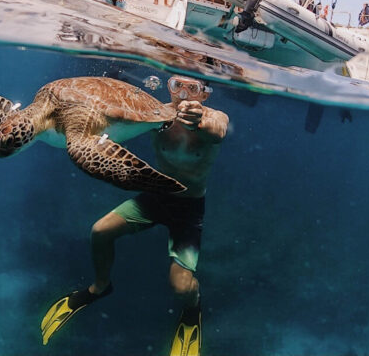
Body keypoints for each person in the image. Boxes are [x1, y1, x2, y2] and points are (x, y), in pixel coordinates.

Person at [40, 76, 229, 356]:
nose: (184, 94)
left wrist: (200, 119)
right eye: (178, 85)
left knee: (180, 285)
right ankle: (100, 287)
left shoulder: (214, 116)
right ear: (168, 87)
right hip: (156, 197)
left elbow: (217, 131)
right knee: (100, 231)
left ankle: (192, 312)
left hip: (188, 208)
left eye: (194, 88)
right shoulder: (157, 114)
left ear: (205, 95)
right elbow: (117, 112)